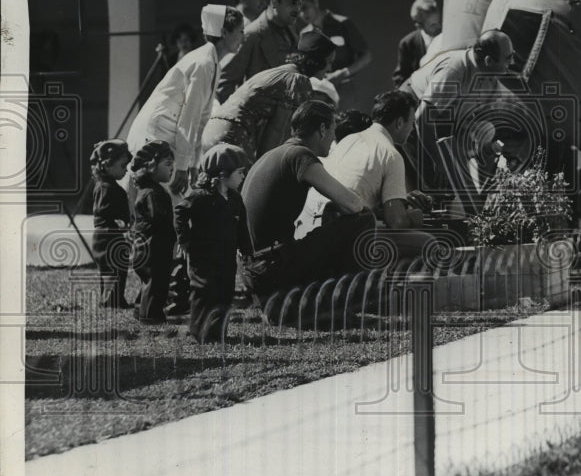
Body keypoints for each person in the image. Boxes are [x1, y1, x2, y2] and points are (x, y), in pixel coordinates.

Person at [240, 100, 374, 318]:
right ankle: (346, 303)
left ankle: (313, 300)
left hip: (255, 272)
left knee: (333, 211)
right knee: (363, 218)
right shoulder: (300, 155)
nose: (333, 138)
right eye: (332, 130)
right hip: (272, 268)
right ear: (322, 130)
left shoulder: (272, 154)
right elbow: (353, 204)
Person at [127, 4, 245, 200]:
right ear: (224, 32)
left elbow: (200, 121)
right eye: (240, 31)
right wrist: (183, 166)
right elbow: (189, 118)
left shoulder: (212, 62)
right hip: (155, 136)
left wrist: (193, 164)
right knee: (159, 205)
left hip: (168, 138)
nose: (243, 36)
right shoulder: (203, 63)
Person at [299, 91, 433, 250]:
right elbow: (397, 223)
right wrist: (414, 217)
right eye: (412, 122)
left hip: (310, 228)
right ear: (399, 123)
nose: (413, 128)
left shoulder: (350, 139)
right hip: (341, 236)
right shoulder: (390, 153)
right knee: (427, 242)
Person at [201, 30, 337, 161]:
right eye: (329, 62)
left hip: (215, 132)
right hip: (232, 135)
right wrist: (264, 166)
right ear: (317, 61)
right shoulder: (297, 81)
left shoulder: (284, 73)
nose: (330, 69)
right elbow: (277, 130)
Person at [406, 30, 514, 192]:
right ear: (489, 61)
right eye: (508, 58)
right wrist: (439, 161)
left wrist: (489, 148)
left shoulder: (490, 81)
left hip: (440, 121)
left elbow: (472, 127)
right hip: (411, 116)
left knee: (453, 184)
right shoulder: (454, 71)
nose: (511, 63)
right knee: (432, 185)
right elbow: (421, 119)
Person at [174, 144, 252, 343]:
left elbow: (241, 226)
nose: (243, 177)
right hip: (203, 256)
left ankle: (219, 332)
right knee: (204, 293)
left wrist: (246, 249)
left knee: (225, 292)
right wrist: (185, 241)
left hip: (226, 256)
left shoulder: (235, 198)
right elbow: (180, 212)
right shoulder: (199, 196)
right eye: (240, 173)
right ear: (223, 173)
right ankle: (199, 332)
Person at [216, 0, 303, 104]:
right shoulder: (252, 35)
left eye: (299, 4)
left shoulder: (292, 33)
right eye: (293, 2)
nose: (298, 9)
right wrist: (242, 118)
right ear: (274, 1)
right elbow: (225, 83)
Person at [129, 141, 177, 324]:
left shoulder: (150, 190)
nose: (171, 169)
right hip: (153, 248)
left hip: (147, 247)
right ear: (151, 166)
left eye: (172, 165)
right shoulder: (152, 193)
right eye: (167, 164)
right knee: (156, 283)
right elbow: (160, 219)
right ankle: (151, 316)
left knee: (149, 282)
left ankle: (140, 310)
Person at [300, 0, 370, 95]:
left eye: (305, 7)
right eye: (298, 10)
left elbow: (366, 56)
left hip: (345, 88)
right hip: (320, 91)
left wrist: (343, 73)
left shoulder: (342, 23)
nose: (302, 13)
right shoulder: (304, 34)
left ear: (315, 2)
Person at [90, 139, 133, 308]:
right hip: (107, 236)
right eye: (123, 166)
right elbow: (103, 211)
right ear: (107, 165)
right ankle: (110, 301)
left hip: (110, 234)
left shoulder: (108, 185)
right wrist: (121, 222)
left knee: (116, 269)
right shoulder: (106, 187)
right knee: (112, 269)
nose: (126, 170)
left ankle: (115, 299)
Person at [392, 0, 441, 87]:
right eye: (433, 25)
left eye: (439, 21)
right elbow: (401, 77)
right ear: (419, 25)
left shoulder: (447, 36)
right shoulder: (407, 43)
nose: (439, 26)